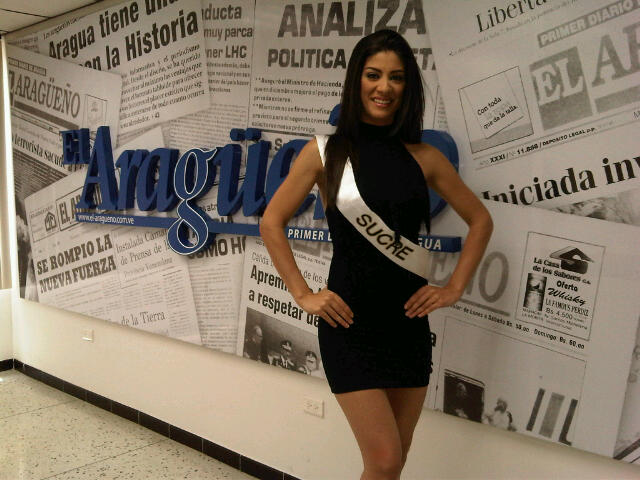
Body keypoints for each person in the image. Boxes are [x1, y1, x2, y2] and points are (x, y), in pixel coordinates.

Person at [260, 29, 493, 480]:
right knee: (383, 461)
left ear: (408, 87)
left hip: (407, 326)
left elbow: (480, 220)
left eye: (396, 77)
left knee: (393, 464)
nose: (384, 87)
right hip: (349, 324)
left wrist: (454, 288)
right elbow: (272, 222)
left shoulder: (426, 157)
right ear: (356, 80)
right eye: (373, 75)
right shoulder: (324, 153)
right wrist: (303, 293)